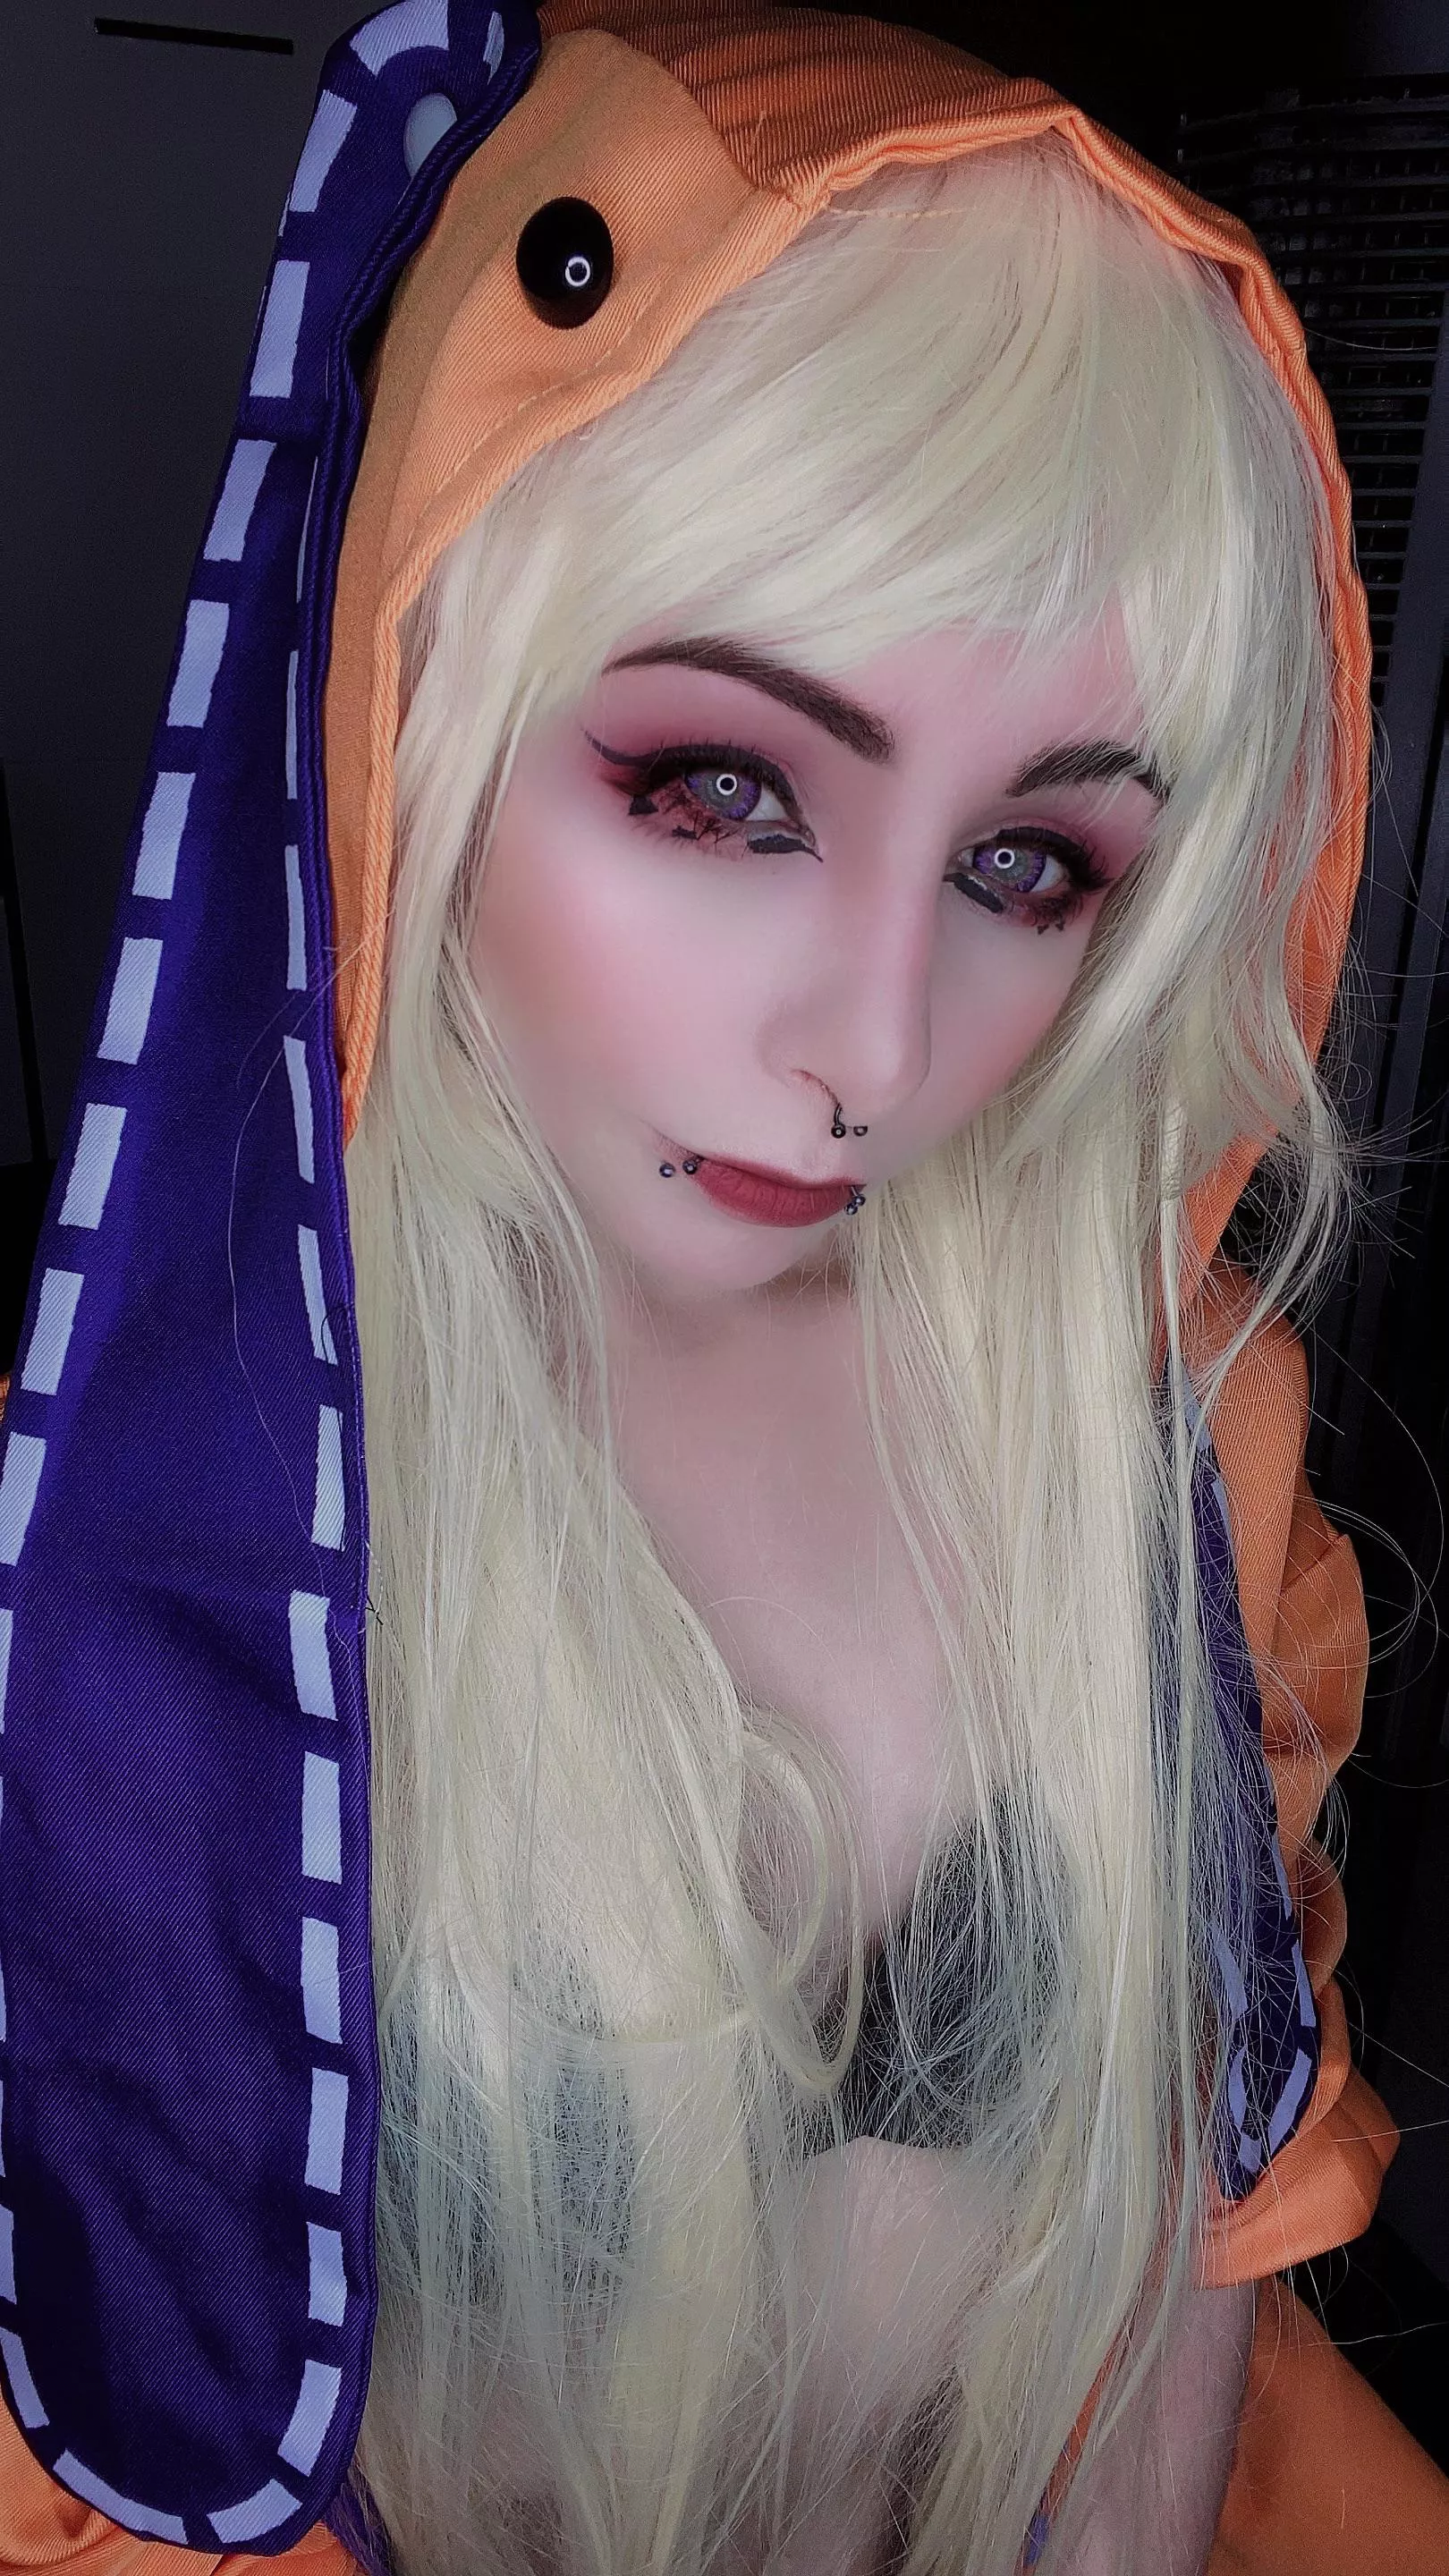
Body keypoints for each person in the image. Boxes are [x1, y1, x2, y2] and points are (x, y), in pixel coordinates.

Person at [2, 2, 1447, 2571]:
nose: (874, 1049)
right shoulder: (150, 1579)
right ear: (416, 675)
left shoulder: (1147, 1431)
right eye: (721, 789)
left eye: (1028, 867)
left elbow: (1199, 2232)